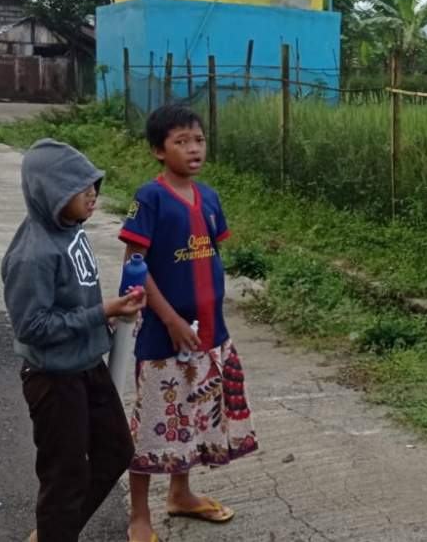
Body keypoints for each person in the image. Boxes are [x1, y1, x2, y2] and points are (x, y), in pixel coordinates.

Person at [119, 104, 258, 542]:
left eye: (198, 139)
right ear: (159, 151)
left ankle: (181, 494)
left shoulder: (211, 197)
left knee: (195, 420)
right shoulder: (150, 198)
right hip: (165, 337)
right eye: (181, 142)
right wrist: (172, 319)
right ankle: (139, 515)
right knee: (153, 426)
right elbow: (135, 267)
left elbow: (211, 254)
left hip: (209, 335)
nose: (193, 149)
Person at [1, 139, 146, 542]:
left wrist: (112, 319)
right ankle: (55, 532)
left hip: (86, 364)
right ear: (49, 194)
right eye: (78, 189)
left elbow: (76, 297)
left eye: (93, 185)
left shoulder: (71, 230)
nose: (92, 195)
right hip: (53, 379)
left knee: (116, 450)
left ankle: (52, 533)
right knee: (64, 477)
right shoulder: (32, 255)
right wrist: (103, 312)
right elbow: (31, 326)